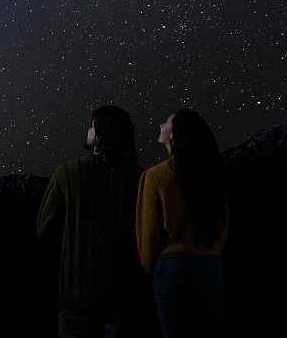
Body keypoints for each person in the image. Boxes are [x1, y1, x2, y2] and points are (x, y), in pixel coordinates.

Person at [38, 106, 147, 338]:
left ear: (99, 132)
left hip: (77, 299)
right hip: (125, 297)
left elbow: (44, 229)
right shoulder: (142, 177)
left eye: (91, 126)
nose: (87, 130)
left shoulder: (67, 173)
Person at [136, 108, 228, 338]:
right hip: (213, 264)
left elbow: (149, 236)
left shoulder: (155, 176)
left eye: (166, 122)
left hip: (173, 269)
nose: (160, 125)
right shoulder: (214, 174)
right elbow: (224, 222)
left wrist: (153, 267)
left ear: (174, 134)